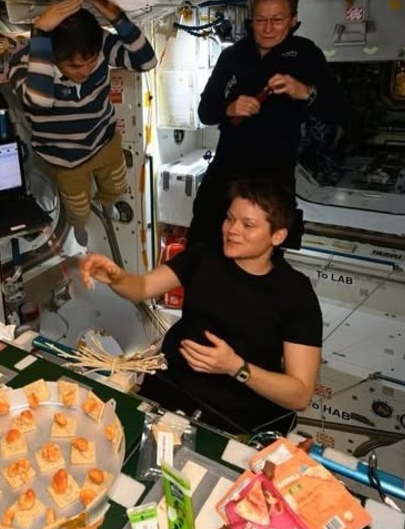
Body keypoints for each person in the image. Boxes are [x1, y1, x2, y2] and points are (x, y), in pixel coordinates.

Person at [80, 178, 322, 435]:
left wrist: (236, 367)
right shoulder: (205, 256)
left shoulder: (295, 293)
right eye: (230, 219)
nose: (232, 230)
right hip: (172, 389)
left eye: (248, 225)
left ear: (277, 236)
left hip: (235, 417)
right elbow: (142, 287)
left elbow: (300, 395)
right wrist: (117, 277)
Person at [189, 0, 347, 251]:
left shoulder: (306, 54)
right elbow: (205, 112)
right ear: (251, 19)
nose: (268, 28)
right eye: (261, 20)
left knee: (262, 256)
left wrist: (306, 92)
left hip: (274, 176)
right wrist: (229, 108)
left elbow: (339, 111)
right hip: (226, 172)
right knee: (203, 246)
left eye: (277, 20)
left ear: (293, 20)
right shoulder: (233, 56)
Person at [9, 0, 156, 247]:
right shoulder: (24, 63)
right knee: (78, 206)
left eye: (91, 62)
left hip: (103, 139)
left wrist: (117, 17)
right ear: (53, 55)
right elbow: (40, 102)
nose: (86, 71)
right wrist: (40, 33)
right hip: (65, 157)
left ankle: (108, 203)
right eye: (75, 66)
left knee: (117, 185)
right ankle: (79, 223)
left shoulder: (98, 44)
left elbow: (146, 61)